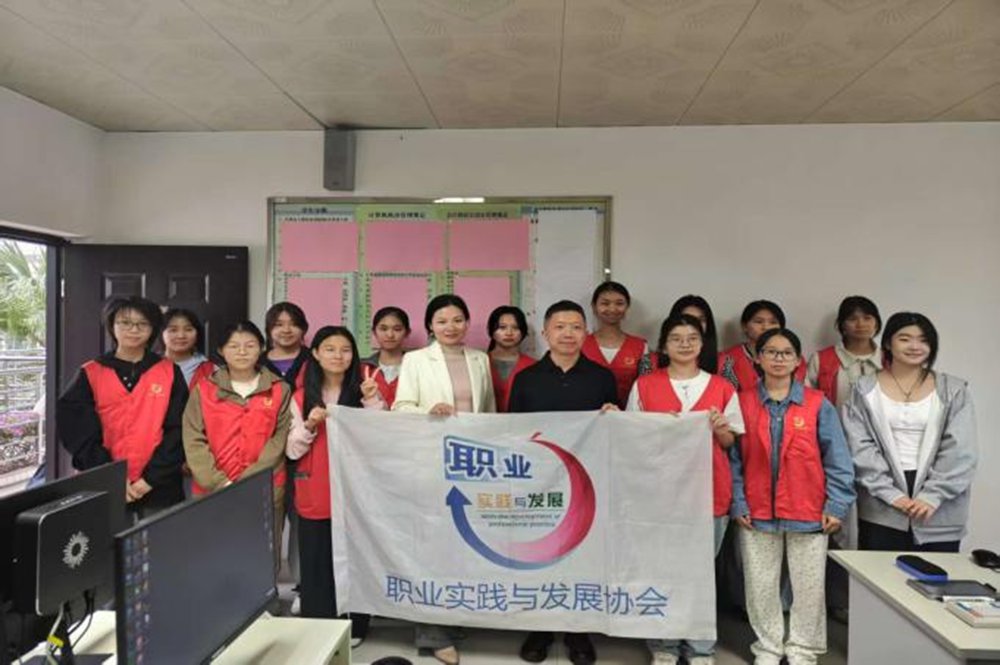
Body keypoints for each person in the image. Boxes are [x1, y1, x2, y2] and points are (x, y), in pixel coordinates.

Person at [729, 328, 855, 665]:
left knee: (809, 588)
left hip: (808, 509)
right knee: (760, 586)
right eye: (771, 352)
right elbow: (733, 460)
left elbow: (838, 459)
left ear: (798, 360)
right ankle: (768, 648)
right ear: (758, 358)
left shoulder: (817, 404)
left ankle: (802, 649)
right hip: (755, 511)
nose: (778, 358)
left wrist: (836, 505)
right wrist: (738, 502)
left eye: (786, 353)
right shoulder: (742, 402)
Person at [627, 314, 743, 665]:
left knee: (700, 574)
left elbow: (730, 442)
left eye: (692, 337)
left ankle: (700, 646)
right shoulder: (646, 385)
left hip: (710, 492)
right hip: (659, 495)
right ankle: (664, 644)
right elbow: (632, 435)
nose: (684, 343)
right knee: (662, 570)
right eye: (676, 338)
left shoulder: (722, 387)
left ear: (702, 344)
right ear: (663, 345)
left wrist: (720, 428)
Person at [509, 300, 618, 665]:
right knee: (540, 555)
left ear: (586, 332)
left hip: (588, 484)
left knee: (582, 556)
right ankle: (539, 628)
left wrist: (613, 416)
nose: (568, 333)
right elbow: (513, 432)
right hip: (539, 485)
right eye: (560, 326)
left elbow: (615, 432)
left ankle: (578, 631)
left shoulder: (602, 378)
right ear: (545, 333)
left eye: (575, 327)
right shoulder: (527, 379)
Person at [392, 294, 496, 665]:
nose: (450, 327)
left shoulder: (480, 359)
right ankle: (432, 634)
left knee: (465, 544)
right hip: (431, 461)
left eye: (457, 320)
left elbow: (489, 411)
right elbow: (400, 408)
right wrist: (428, 410)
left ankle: (454, 617)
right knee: (431, 547)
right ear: (430, 327)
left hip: (471, 464)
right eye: (441, 321)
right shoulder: (416, 360)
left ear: (467, 323)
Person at [842, 312, 977, 553]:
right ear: (888, 343)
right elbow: (858, 446)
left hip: (939, 504)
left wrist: (932, 496)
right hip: (880, 500)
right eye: (904, 339)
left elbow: (961, 449)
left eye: (923, 340)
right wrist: (890, 494)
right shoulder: (863, 389)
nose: (915, 346)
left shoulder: (954, 390)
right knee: (879, 573)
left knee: (936, 574)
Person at [287, 326, 384, 644]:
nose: (338, 356)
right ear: (315, 353)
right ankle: (320, 625)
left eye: (345, 349)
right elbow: (291, 450)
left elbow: (383, 436)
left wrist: (372, 401)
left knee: (356, 558)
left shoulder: (365, 392)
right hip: (315, 486)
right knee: (317, 559)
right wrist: (310, 424)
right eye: (329, 349)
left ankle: (355, 625)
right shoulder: (300, 397)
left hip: (357, 488)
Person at [57, 296, 188, 516]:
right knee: (104, 537)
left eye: (142, 324)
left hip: (160, 485)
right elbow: (77, 432)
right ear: (112, 325)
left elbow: (180, 429)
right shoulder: (91, 373)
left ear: (153, 329)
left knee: (162, 536)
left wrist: (150, 479)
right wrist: (111, 477)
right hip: (102, 484)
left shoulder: (169, 372)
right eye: (125, 323)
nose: (134, 330)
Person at [182, 321, 292, 552]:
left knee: (261, 553)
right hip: (213, 489)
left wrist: (247, 482)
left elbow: (279, 439)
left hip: (264, 487)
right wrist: (219, 482)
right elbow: (193, 438)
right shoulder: (204, 389)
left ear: (261, 348)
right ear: (221, 350)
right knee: (213, 553)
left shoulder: (279, 389)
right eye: (233, 346)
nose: (242, 352)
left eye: (250, 345)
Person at [806, 296, 883, 407]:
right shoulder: (820, 360)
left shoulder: (888, 359)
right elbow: (807, 400)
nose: (861, 324)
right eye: (852, 319)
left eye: (867, 318)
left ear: (876, 323)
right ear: (842, 325)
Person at [581, 281, 647, 407]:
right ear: (594, 307)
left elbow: (647, 383)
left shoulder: (642, 346)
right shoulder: (580, 344)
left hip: (629, 414)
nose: (612, 309)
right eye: (605, 303)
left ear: (627, 307)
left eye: (619, 303)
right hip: (588, 414)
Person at [718, 300, 805, 392]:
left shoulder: (793, 358)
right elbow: (726, 394)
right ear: (744, 326)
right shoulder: (728, 359)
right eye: (758, 322)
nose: (766, 327)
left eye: (773, 322)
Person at [639, 295, 719, 376]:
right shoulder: (650, 361)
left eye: (701, 320)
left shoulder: (721, 362)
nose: (694, 324)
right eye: (688, 318)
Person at [486, 305, 535, 412]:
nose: (509, 333)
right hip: (484, 420)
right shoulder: (479, 362)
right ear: (492, 331)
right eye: (502, 327)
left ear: (523, 332)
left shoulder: (534, 366)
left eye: (515, 328)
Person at [362, 306, 411, 408]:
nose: (390, 335)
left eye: (397, 329)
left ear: (407, 333)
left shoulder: (418, 367)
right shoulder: (362, 368)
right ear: (374, 332)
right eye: (383, 329)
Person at [161, 307, 215, 388]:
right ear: (161, 333)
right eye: (173, 330)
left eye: (188, 329)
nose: (181, 336)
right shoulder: (150, 365)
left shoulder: (210, 370)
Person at [263, 301, 311, 387]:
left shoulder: (314, 359)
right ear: (269, 329)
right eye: (279, 325)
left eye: (293, 324)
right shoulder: (257, 363)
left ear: (303, 328)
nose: (286, 330)